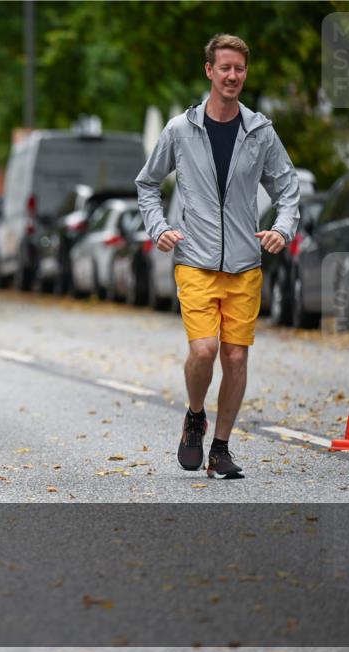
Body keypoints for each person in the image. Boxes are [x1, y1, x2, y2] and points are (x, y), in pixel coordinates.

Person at [135, 34, 300, 480]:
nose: (232, 76)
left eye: (239, 69)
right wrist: (160, 228)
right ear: (209, 70)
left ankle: (221, 449)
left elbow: (287, 190)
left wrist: (282, 229)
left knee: (236, 359)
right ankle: (194, 417)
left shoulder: (260, 132)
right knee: (205, 351)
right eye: (224, 67)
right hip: (194, 258)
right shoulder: (180, 130)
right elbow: (148, 184)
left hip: (246, 263)